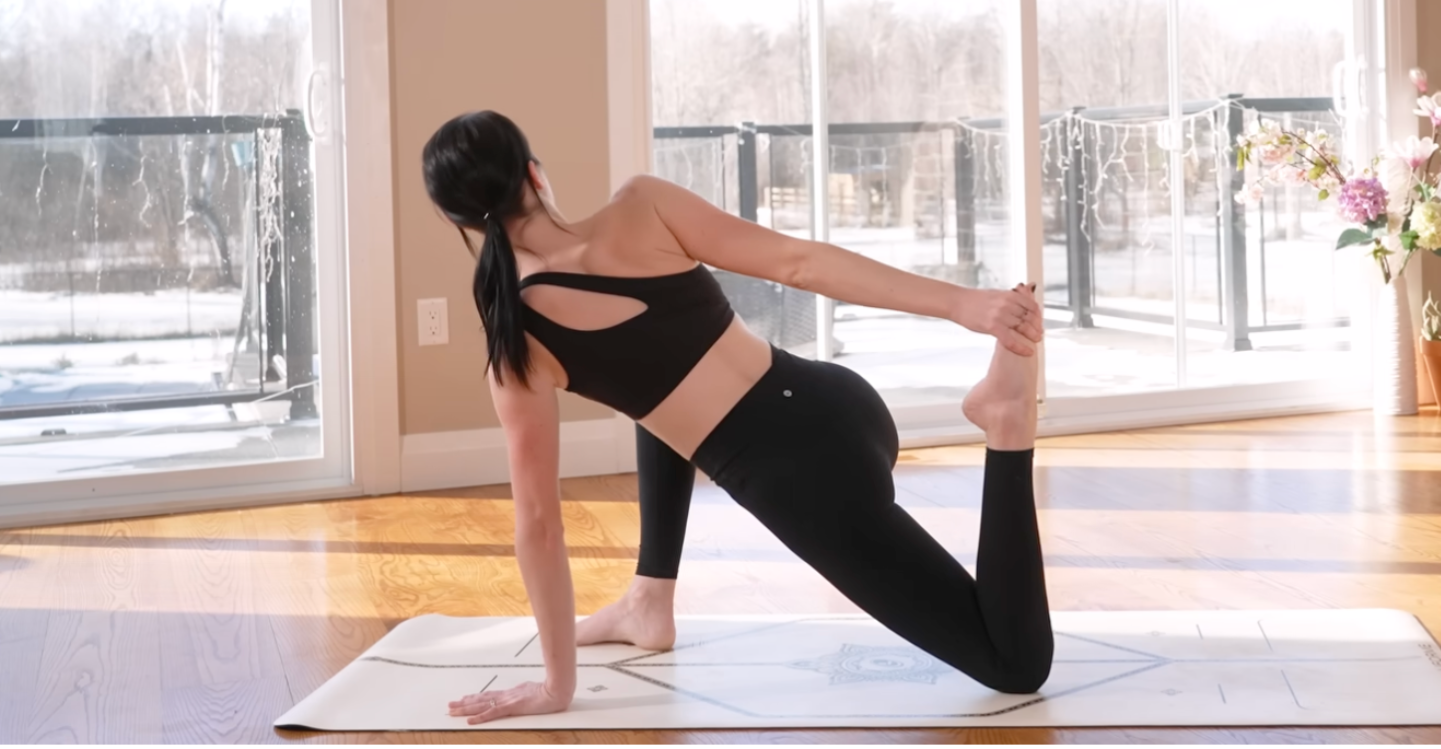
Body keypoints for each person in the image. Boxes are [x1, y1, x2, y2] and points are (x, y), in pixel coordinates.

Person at [422, 111, 1052, 724]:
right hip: (839, 400)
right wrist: (961, 304)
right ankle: (649, 599)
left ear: (457, 223)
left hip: (813, 488)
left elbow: (540, 526)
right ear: (535, 174)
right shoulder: (643, 204)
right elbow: (800, 262)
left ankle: (1006, 423)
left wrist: (556, 686)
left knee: (1014, 664)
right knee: (652, 388)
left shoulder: (519, 348)